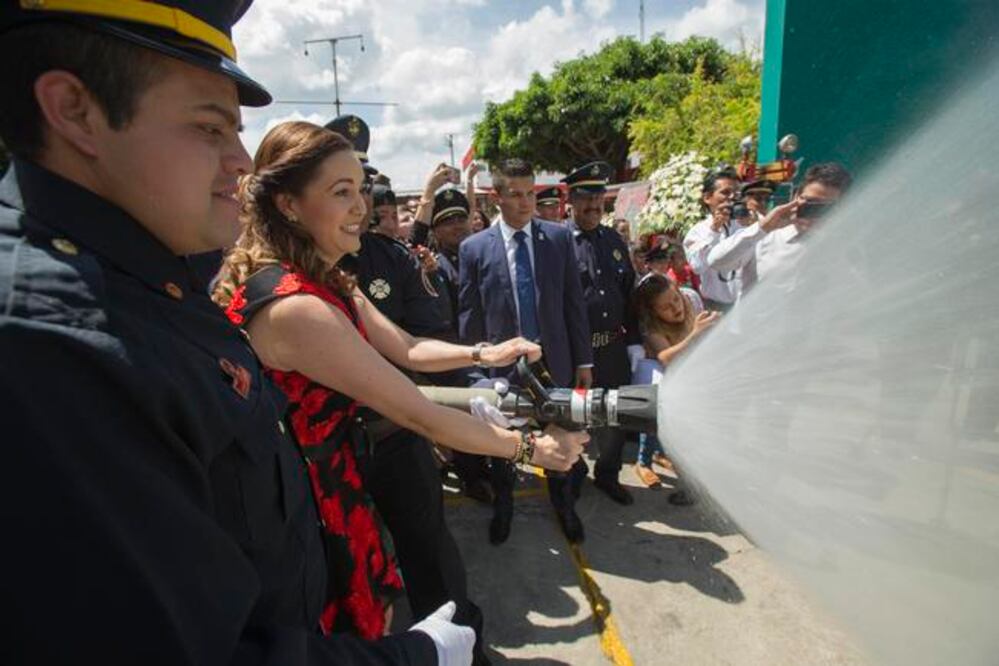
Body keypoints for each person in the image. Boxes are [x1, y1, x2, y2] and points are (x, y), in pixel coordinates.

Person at [0, 3, 475, 664]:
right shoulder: (50, 346)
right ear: (75, 110)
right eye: (209, 126)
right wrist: (414, 659)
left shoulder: (149, 273)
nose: (241, 162)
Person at [326, 119, 504, 664]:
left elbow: (412, 344)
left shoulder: (382, 261)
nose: (360, 207)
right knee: (349, 578)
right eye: (343, 192)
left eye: (363, 190)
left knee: (432, 555)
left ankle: (463, 647)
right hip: (331, 458)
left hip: (397, 434)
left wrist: (481, 356)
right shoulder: (292, 285)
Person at [458, 158, 593, 544]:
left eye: (530, 193)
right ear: (495, 197)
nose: (525, 202)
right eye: (514, 194)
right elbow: (471, 316)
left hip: (556, 362)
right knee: (504, 446)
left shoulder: (559, 238)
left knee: (561, 438)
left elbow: (573, 304)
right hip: (503, 368)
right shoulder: (474, 249)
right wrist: (478, 377)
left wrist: (583, 360)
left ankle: (564, 506)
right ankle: (505, 507)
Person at [562, 161, 640, 507]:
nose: (593, 207)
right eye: (585, 200)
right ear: (571, 200)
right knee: (572, 418)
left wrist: (635, 342)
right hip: (575, 353)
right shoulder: (557, 242)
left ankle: (607, 474)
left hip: (613, 350)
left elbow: (630, 292)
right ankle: (573, 471)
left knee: (615, 419)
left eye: (599, 200)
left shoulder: (614, 241)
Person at [631, 274, 718, 490]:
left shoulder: (691, 301)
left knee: (673, 423)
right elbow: (665, 357)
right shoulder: (652, 328)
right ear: (653, 312)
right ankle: (643, 463)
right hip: (660, 377)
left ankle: (661, 453)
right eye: (665, 307)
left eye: (676, 299)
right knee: (654, 419)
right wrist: (695, 335)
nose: (676, 308)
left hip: (689, 373)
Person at [705, 163, 852, 285]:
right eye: (808, 202)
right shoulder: (764, 236)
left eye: (823, 206)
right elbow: (716, 262)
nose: (812, 210)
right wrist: (763, 227)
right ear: (795, 196)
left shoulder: (844, 250)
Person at [683, 166, 744, 311]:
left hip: (746, 305)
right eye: (725, 193)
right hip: (717, 308)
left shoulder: (745, 225)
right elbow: (698, 267)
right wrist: (714, 231)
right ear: (707, 198)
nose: (732, 198)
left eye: (736, 193)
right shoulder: (698, 232)